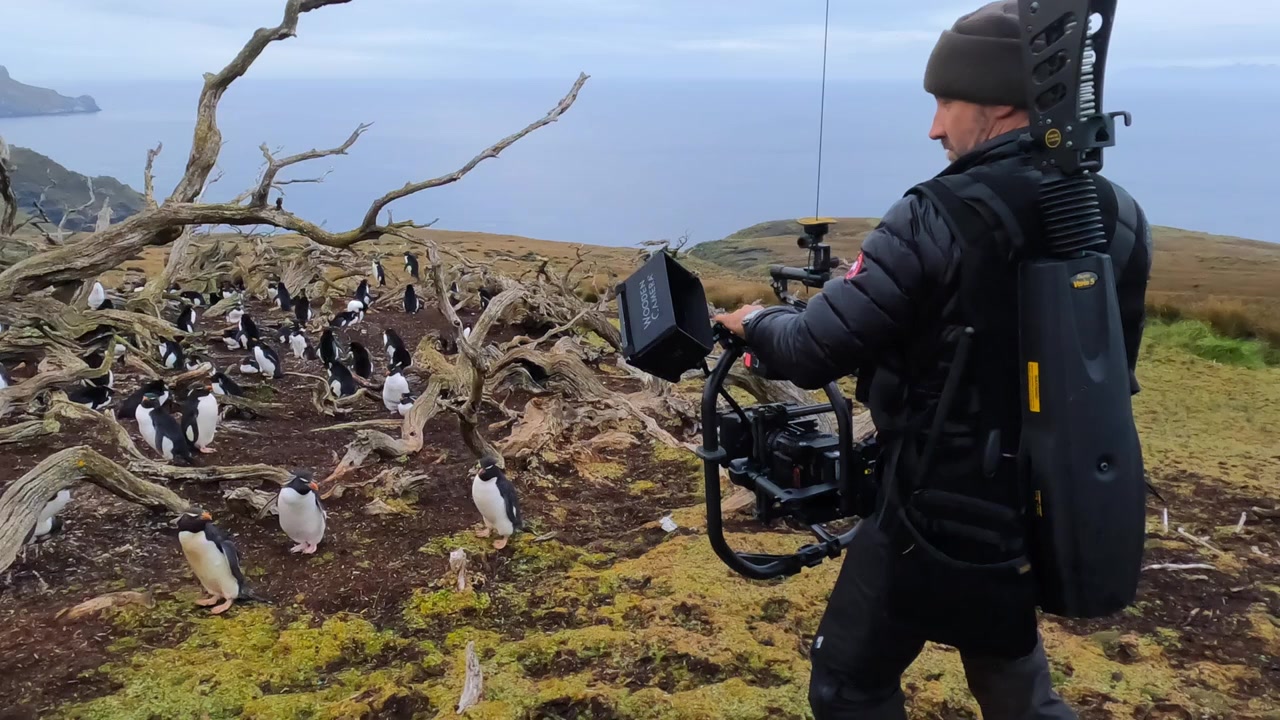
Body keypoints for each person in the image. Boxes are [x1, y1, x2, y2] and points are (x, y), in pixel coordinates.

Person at [712, 1, 1153, 718]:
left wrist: (756, 321)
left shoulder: (931, 215)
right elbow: (1109, 371)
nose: (935, 127)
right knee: (1010, 676)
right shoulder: (1120, 213)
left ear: (1001, 102)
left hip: (929, 508)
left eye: (947, 102)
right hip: (1050, 502)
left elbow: (811, 349)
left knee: (847, 686)